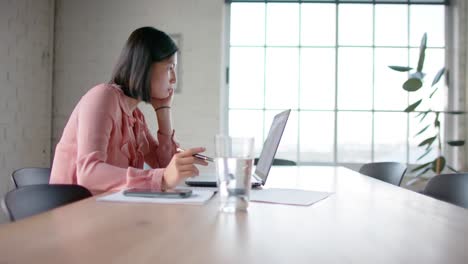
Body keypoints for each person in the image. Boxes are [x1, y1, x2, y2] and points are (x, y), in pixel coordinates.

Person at [50, 26, 207, 194]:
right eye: (170, 68)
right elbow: (88, 174)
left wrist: (163, 110)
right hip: (72, 210)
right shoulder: (103, 97)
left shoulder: (135, 116)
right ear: (146, 66)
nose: (174, 79)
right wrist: (160, 178)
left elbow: (165, 167)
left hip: (105, 208)